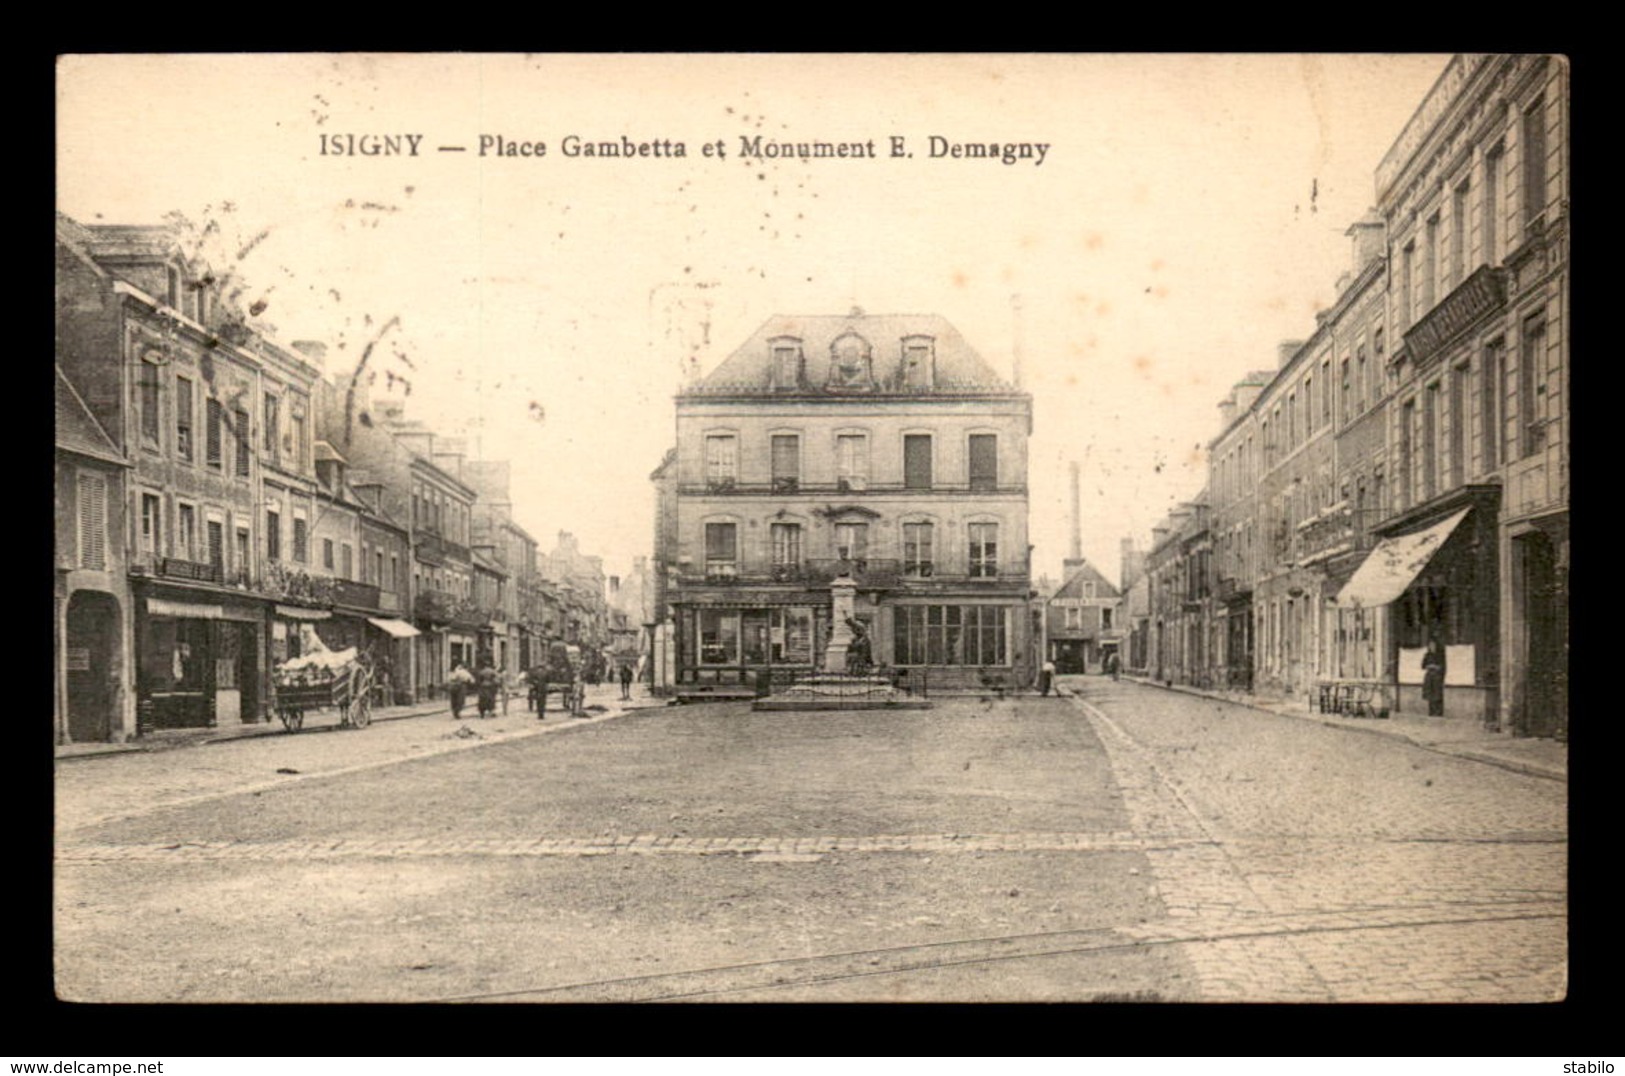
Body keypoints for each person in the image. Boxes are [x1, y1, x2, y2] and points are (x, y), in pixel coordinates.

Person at [1422, 634, 1446, 717]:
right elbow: (1423, 666)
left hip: (1437, 677)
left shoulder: (1440, 655)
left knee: (1437, 694)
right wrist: (1429, 666)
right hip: (1429, 677)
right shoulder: (1427, 655)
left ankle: (1438, 712)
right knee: (1430, 694)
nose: (1432, 647)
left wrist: (1435, 667)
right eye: (1430, 645)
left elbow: (1442, 666)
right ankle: (1431, 711)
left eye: (1433, 645)